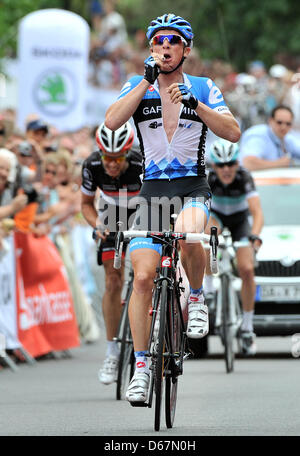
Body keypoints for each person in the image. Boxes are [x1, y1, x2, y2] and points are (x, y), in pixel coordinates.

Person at [105, 13, 241, 403]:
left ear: (186, 49)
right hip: (152, 192)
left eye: (174, 41)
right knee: (143, 278)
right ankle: (142, 367)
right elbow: (112, 122)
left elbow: (232, 132)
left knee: (186, 233)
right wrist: (145, 82)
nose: (166, 47)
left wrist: (197, 105)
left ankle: (196, 297)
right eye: (159, 41)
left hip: (192, 188)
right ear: (151, 48)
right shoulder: (137, 85)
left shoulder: (203, 86)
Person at [80, 121, 142, 385]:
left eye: (118, 158)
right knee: (112, 280)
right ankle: (112, 350)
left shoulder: (142, 164)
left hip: (144, 214)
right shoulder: (92, 165)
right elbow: (85, 204)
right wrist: (96, 224)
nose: (112, 164)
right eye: (107, 157)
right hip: (111, 217)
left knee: (143, 277)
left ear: (127, 153)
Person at [204, 138, 264, 355]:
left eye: (231, 164)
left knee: (247, 268)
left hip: (240, 221)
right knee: (208, 234)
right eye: (221, 165)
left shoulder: (245, 177)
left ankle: (247, 327)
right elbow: (201, 212)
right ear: (214, 166)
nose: (226, 169)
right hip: (216, 218)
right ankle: (208, 287)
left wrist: (255, 235)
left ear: (237, 164)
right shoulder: (209, 178)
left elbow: (257, 213)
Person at [240, 105, 300, 170]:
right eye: (279, 122)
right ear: (270, 121)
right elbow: (248, 163)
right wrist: (279, 163)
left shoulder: (287, 139)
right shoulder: (259, 136)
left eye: (288, 124)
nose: (284, 127)